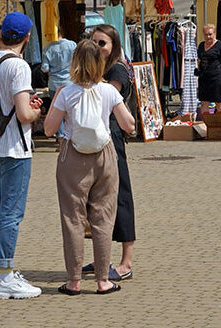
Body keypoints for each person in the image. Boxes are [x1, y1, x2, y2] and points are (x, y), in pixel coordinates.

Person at [44, 40, 136, 296]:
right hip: (105, 156)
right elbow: (128, 124)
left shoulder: (67, 92)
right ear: (100, 63)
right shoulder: (108, 91)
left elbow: (50, 129)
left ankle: (74, 281)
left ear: (74, 62)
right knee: (103, 218)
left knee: (73, 218)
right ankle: (103, 280)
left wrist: (56, 103)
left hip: (73, 156)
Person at [0, 12, 44, 300]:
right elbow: (24, 113)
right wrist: (37, 110)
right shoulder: (18, 67)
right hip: (15, 147)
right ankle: (6, 274)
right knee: (11, 212)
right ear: (27, 37)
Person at [87, 25, 137, 281]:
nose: (97, 47)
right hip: (98, 137)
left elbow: (108, 101)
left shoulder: (116, 69)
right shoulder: (100, 68)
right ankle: (101, 258)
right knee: (99, 199)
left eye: (102, 43)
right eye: (93, 42)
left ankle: (126, 262)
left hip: (113, 137)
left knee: (120, 197)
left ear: (113, 45)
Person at [196, 24, 221, 119]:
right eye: (206, 34)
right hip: (204, 78)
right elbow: (199, 60)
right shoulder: (201, 45)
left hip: (216, 77)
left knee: (218, 103)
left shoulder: (220, 46)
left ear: (214, 33)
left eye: (210, 34)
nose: (208, 37)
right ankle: (207, 126)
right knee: (204, 103)